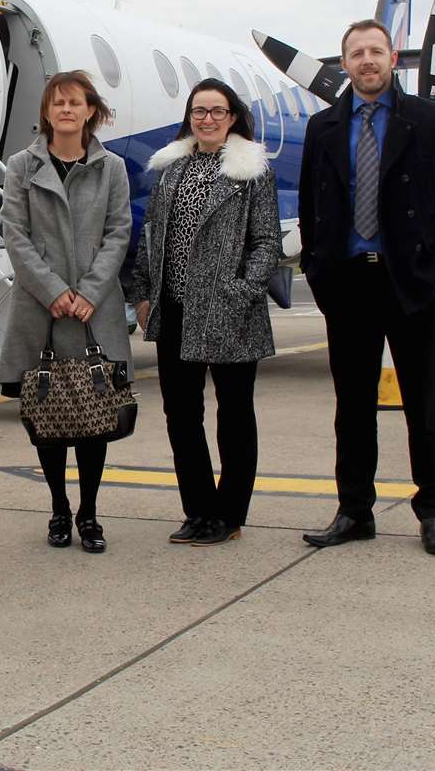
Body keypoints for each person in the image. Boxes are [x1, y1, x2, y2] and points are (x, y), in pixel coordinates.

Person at [298, 20, 435, 557]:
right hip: (348, 283)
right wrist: (317, 267)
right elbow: (311, 203)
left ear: (392, 57)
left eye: (375, 51)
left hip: (409, 282)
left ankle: (434, 513)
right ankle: (355, 511)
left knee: (424, 404)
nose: (367, 60)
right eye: (356, 53)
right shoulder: (324, 126)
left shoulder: (428, 119)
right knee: (351, 406)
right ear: (344, 63)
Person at [129, 79, 281, 547]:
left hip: (230, 311)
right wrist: (142, 292)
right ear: (189, 117)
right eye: (199, 111)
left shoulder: (251, 172)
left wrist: (241, 291)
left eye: (217, 111)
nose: (208, 119)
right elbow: (152, 236)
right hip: (174, 310)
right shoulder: (171, 170)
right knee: (182, 416)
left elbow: (267, 242)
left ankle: (230, 513)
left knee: (234, 417)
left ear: (232, 117)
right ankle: (197, 510)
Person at [0, 71, 133, 553]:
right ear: (47, 112)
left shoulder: (111, 167)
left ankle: (89, 513)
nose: (67, 110)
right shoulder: (21, 166)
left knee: (96, 419)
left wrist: (90, 292)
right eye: (58, 103)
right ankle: (58, 508)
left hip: (95, 310)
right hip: (42, 310)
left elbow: (119, 232)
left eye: (75, 102)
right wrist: (54, 291)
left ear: (90, 110)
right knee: (48, 416)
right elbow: (16, 234)